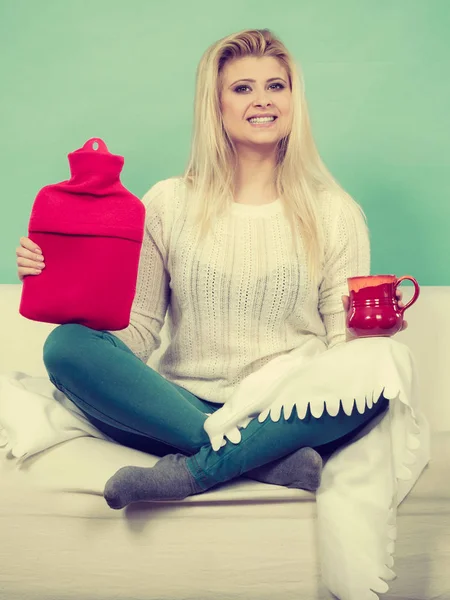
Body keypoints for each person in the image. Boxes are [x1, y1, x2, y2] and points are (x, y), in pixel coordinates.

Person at [16, 28, 406, 510]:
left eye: (276, 86)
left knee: (382, 374)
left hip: (282, 408)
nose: (262, 100)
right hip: (181, 405)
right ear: (216, 105)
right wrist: (60, 276)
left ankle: (195, 472)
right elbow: (136, 330)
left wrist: (370, 342)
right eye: (242, 88)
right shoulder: (167, 202)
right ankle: (262, 461)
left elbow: (340, 347)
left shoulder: (334, 212)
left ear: (293, 99)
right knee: (66, 346)